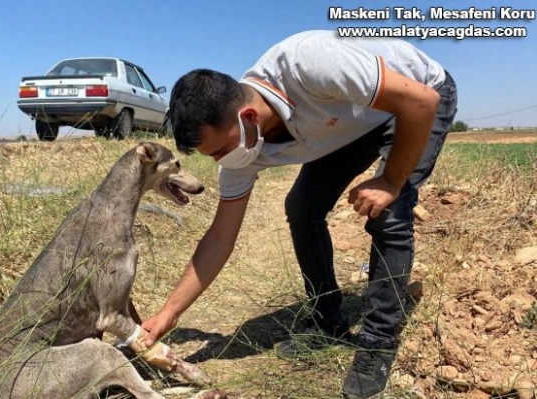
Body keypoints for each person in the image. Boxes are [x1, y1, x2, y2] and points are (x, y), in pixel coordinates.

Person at [142, 30, 457, 399]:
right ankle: (328, 321)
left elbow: (422, 101)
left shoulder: (308, 63)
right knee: (303, 208)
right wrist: (169, 314)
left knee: (389, 212)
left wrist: (390, 181)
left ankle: (378, 340)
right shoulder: (242, 147)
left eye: (221, 150)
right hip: (349, 124)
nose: (221, 162)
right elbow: (219, 238)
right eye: (213, 156)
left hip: (413, 101)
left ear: (247, 116)